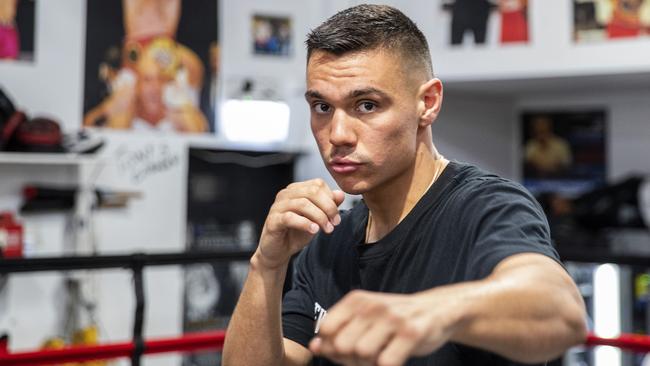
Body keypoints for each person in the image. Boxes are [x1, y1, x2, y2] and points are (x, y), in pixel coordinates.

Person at [223, 4, 587, 366]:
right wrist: (267, 265)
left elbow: (561, 311)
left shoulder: (485, 205)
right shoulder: (330, 237)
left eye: (366, 105)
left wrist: (433, 313)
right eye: (322, 107)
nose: (338, 134)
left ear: (427, 103)